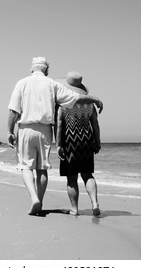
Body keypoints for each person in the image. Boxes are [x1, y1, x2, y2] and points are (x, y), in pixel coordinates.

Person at [7, 57, 103, 215]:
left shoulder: (22, 83)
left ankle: (42, 201)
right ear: (46, 70)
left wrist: (10, 131)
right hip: (61, 133)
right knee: (46, 169)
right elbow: (85, 109)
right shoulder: (54, 85)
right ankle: (91, 203)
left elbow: (14, 110)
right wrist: (95, 100)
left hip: (37, 131)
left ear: (32, 69)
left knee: (29, 167)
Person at [56, 71, 101, 216]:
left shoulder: (64, 103)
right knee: (88, 175)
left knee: (71, 177)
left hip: (70, 141)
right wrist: (97, 141)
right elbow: (95, 124)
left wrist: (58, 145)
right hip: (87, 141)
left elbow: (60, 125)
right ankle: (94, 203)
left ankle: (74, 209)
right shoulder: (90, 105)